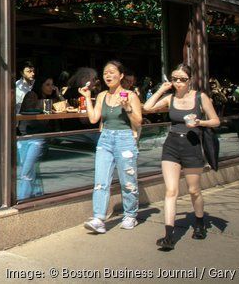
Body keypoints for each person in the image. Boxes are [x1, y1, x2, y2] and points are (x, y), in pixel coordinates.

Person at [143, 63, 220, 251]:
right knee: (171, 191)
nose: (178, 83)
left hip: (192, 146)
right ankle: (168, 236)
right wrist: (161, 89)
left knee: (194, 190)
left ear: (190, 80)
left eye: (182, 79)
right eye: (175, 79)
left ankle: (200, 222)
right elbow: (147, 107)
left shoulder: (200, 97)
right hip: (171, 146)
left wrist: (200, 122)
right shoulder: (170, 98)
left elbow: (216, 121)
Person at [81, 60, 143, 234]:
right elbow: (93, 119)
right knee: (100, 181)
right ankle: (98, 218)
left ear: (121, 75)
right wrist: (87, 98)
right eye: (105, 73)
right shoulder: (102, 96)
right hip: (105, 139)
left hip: (125, 138)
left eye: (112, 72)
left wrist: (127, 107)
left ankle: (130, 215)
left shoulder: (130, 95)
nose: (108, 75)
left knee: (128, 181)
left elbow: (138, 121)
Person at [16, 75, 63, 201]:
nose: (51, 87)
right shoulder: (32, 95)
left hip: (38, 138)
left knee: (27, 170)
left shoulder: (50, 98)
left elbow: (64, 107)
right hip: (26, 135)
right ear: (40, 85)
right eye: (47, 84)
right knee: (28, 170)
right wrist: (45, 108)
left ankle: (23, 199)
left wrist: (58, 95)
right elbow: (29, 113)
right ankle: (36, 196)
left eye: (52, 85)